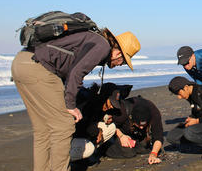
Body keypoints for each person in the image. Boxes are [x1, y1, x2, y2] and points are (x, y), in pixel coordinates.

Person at [11, 28, 140, 171]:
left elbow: (68, 69)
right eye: (123, 61)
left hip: (21, 63)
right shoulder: (102, 46)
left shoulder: (91, 38)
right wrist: (71, 105)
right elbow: (76, 73)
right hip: (39, 68)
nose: (119, 65)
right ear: (118, 52)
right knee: (63, 126)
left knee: (43, 130)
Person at [105, 95, 164, 165]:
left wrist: (153, 154)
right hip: (119, 130)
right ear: (132, 119)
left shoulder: (154, 114)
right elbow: (111, 125)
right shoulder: (122, 113)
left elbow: (158, 137)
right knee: (129, 153)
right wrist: (121, 136)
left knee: (145, 148)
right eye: (139, 125)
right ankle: (105, 148)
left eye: (143, 125)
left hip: (135, 131)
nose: (141, 127)